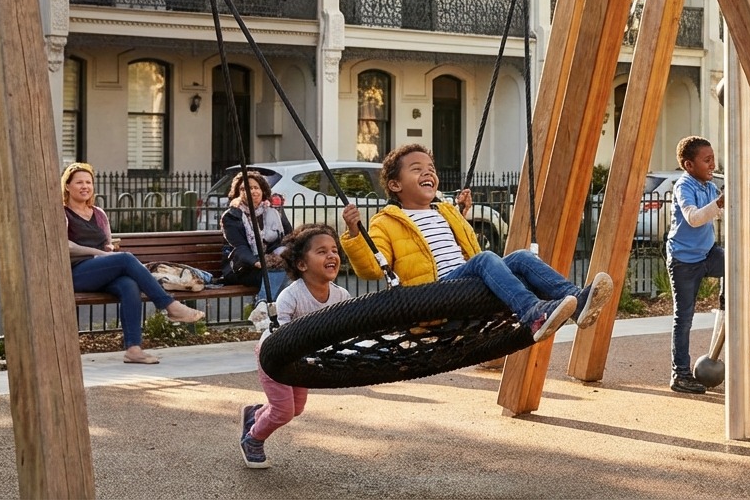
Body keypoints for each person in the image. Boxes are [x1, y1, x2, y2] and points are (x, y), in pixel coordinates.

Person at [340, 144, 611, 343]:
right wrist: (354, 233)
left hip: (466, 287)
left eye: (431, 169)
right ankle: (533, 313)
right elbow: (373, 270)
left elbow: (465, 247)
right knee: (485, 259)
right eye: (417, 169)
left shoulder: (444, 211)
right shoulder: (385, 221)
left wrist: (460, 214)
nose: (428, 173)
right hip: (432, 298)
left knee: (521, 257)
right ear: (395, 185)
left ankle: (579, 299)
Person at [61, 162, 205, 364]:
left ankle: (133, 349)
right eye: (79, 182)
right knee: (126, 258)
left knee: (129, 285)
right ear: (67, 186)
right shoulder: (62, 212)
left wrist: (108, 250)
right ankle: (169, 305)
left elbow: (107, 243)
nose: (85, 186)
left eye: (88, 182)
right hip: (76, 273)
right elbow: (65, 246)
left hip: (101, 270)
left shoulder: (99, 214)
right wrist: (100, 254)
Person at [239, 223, 351, 468]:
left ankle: (255, 415)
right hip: (274, 356)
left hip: (301, 358)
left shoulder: (341, 295)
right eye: (321, 252)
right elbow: (277, 331)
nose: (332, 255)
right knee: (283, 411)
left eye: (334, 250)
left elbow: (349, 327)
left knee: (296, 408)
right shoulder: (290, 296)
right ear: (302, 264)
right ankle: (253, 439)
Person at [665, 136, 725, 395]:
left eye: (713, 158)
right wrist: (720, 204)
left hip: (708, 254)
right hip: (684, 261)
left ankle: (726, 304)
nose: (713, 164)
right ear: (689, 165)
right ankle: (680, 375)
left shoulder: (709, 186)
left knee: (740, 267)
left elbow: (724, 213)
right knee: (684, 317)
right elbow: (693, 218)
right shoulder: (684, 186)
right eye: (707, 160)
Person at [219, 170, 292, 301]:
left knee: (287, 270)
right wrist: (258, 262)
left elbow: (288, 237)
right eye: (246, 189)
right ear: (238, 193)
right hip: (242, 267)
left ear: (262, 190)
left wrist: (283, 255)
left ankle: (267, 309)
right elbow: (239, 248)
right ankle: (265, 307)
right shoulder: (232, 216)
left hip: (270, 262)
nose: (252, 192)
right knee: (277, 272)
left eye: (255, 187)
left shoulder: (274, 212)